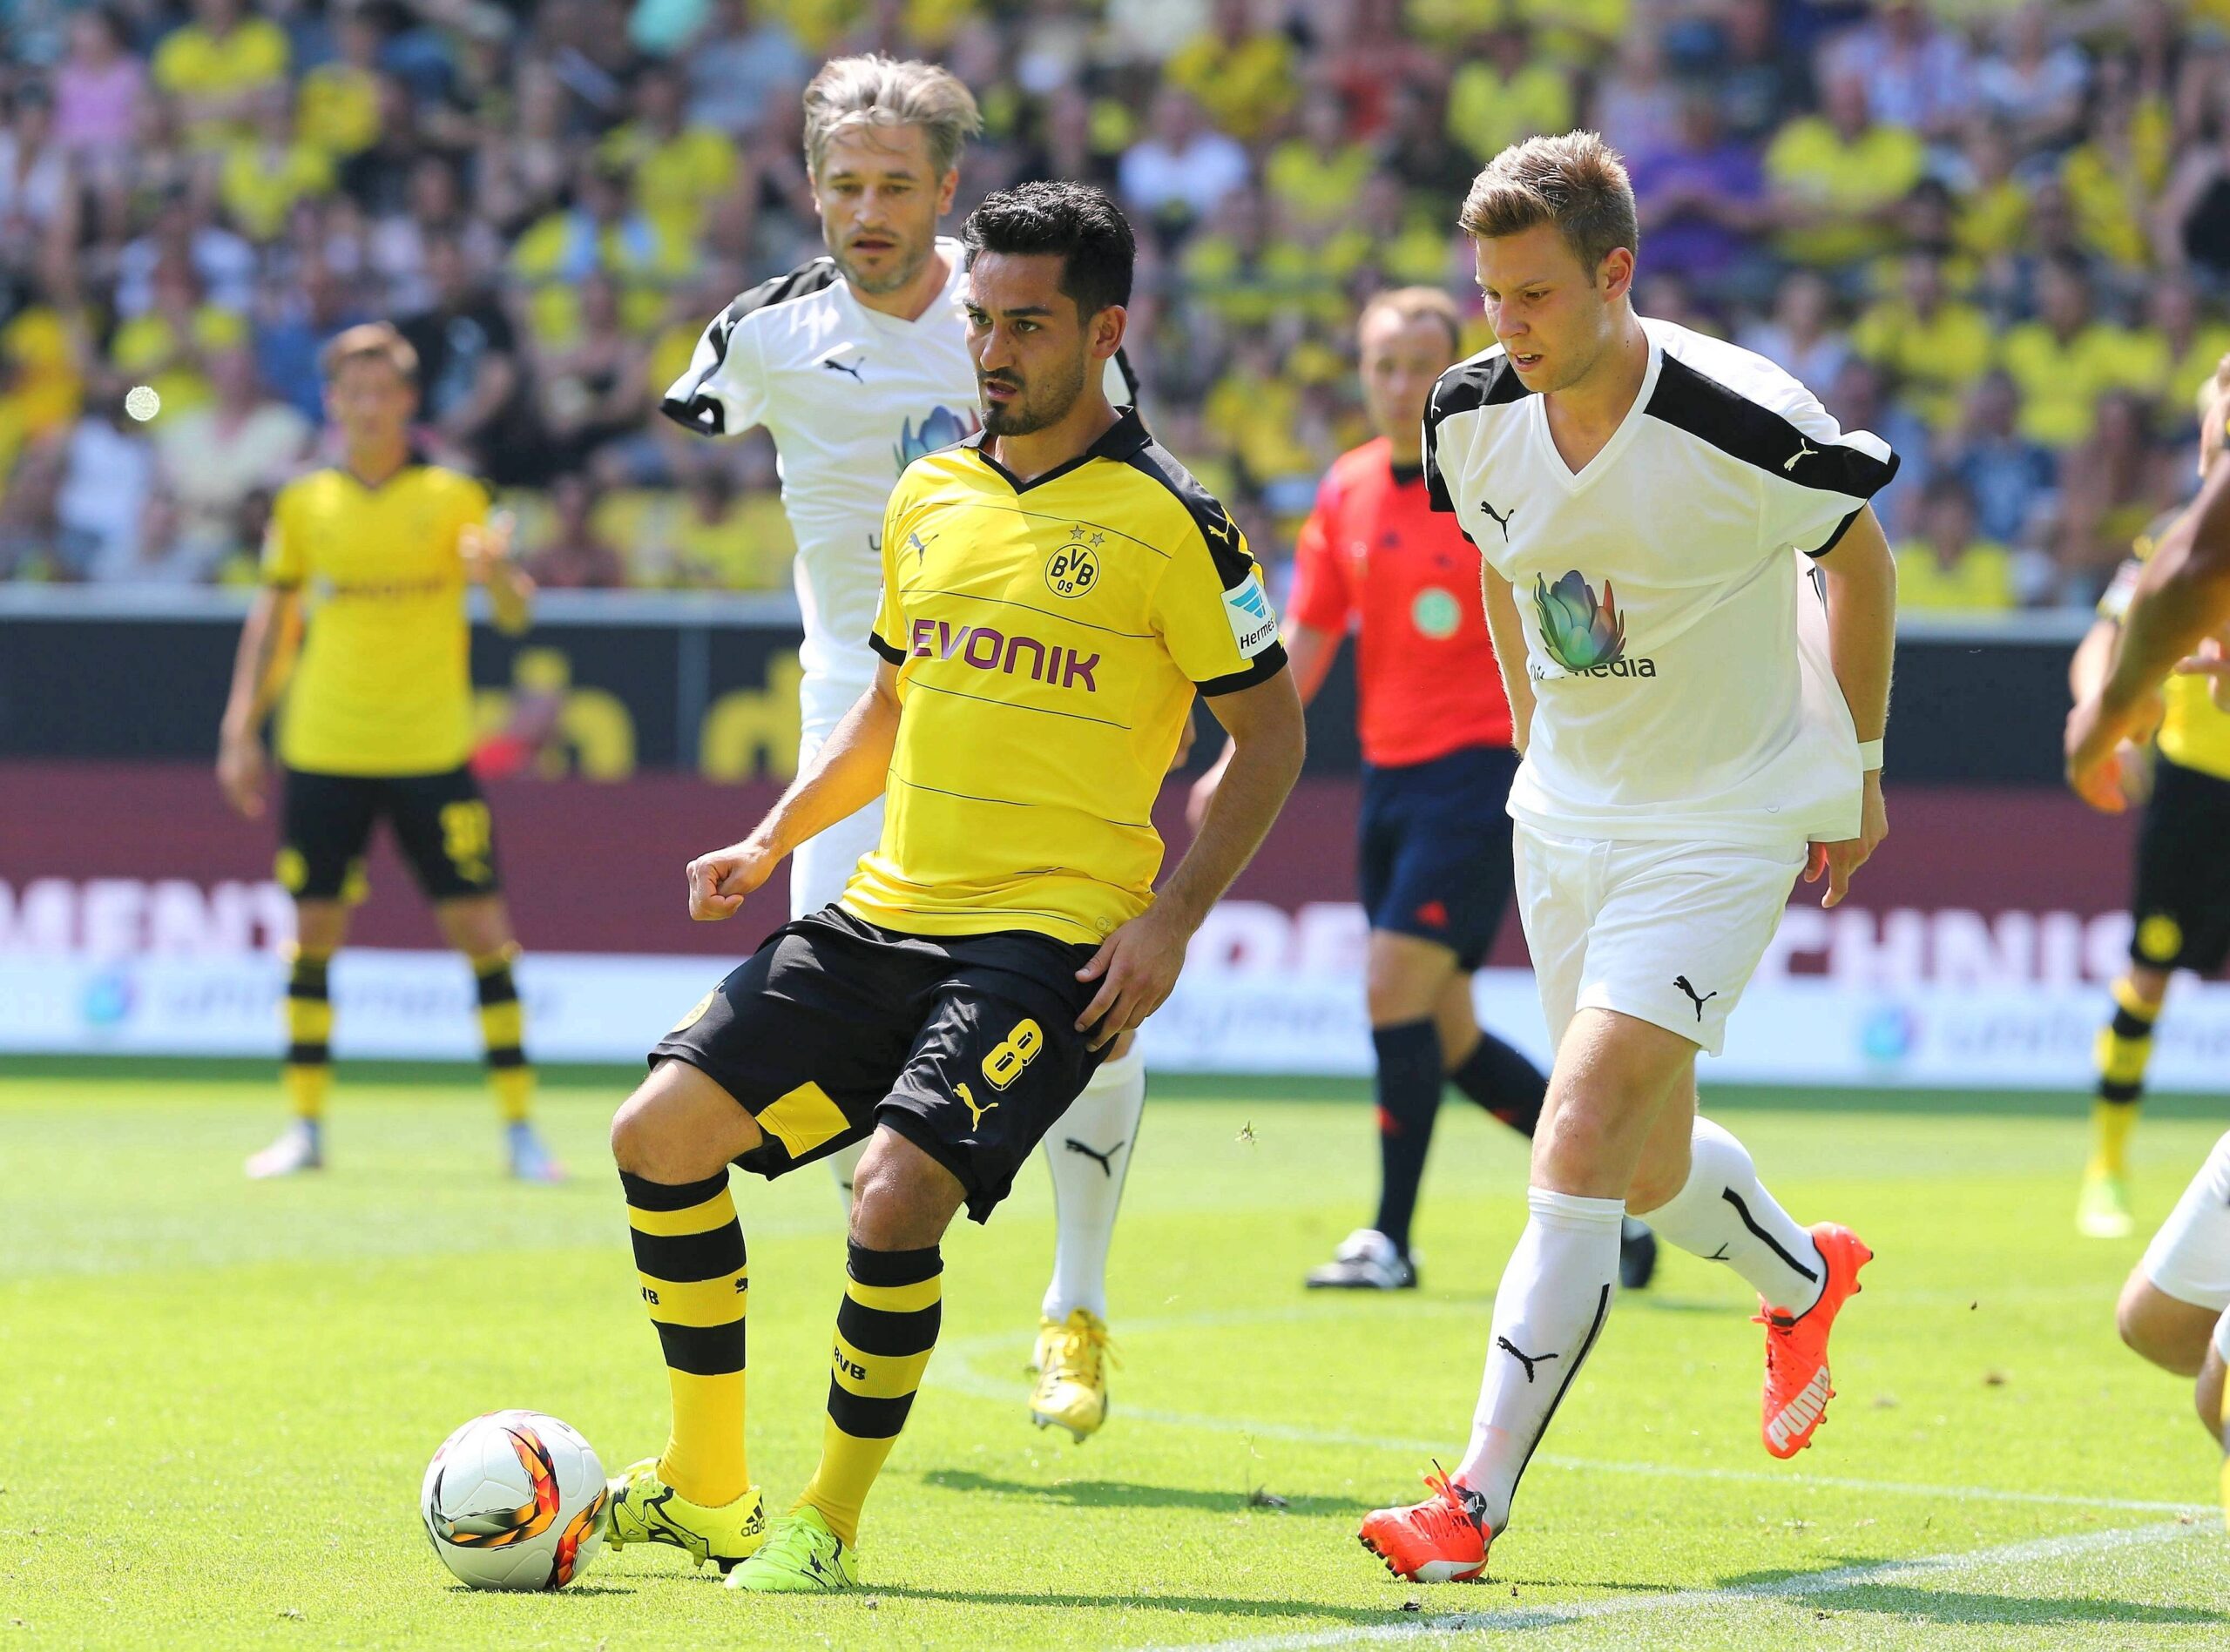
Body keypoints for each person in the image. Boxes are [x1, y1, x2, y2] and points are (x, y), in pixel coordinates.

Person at [602, 181, 1306, 1593]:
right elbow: (887, 713)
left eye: (1028, 325)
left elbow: (1272, 734)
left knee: (892, 1193)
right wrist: (769, 835)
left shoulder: (1178, 523)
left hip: (1046, 942)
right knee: (657, 1136)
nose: (993, 350)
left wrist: (1171, 922)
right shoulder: (930, 492)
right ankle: (711, 1482)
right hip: (885, 909)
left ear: (1107, 330)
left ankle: (828, 1522)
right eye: (980, 319)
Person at [1358, 132, 1897, 1583]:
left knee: (1579, 1128)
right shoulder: (1470, 413)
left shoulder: (1744, 416)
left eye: (1534, 296)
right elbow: (1496, 556)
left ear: (1616, 274)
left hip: (1726, 819)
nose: (1507, 328)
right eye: (1490, 297)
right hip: (1572, 823)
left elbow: (1857, 557)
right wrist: (1538, 738)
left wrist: (1855, 769)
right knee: (1648, 1169)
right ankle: (1804, 1274)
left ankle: (1469, 1500)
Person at [659, 57, 1148, 1444]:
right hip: (853, 718)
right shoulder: (760, 335)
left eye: (894, 184)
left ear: (946, 190)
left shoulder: (1016, 316)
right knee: (837, 1043)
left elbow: (1124, 479)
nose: (865, 210)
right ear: (809, 189)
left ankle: (1077, 1299)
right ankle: (879, 1333)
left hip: (1040, 707)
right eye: (841, 183)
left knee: (1094, 1015)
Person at [1189, 287, 1656, 1294]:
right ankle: (1612, 1205)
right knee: (1442, 1032)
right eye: (1382, 366)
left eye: (1419, 366)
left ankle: (1390, 1239)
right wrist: (1238, 752)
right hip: (1389, 785)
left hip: (1488, 771)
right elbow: (1308, 634)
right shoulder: (1347, 488)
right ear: (1362, 374)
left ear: (1455, 371)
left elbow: (1582, 613)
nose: (1401, 386)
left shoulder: (1504, 470)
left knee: (1390, 986)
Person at [214, 324, 560, 1184]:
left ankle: (520, 1128)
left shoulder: (452, 496)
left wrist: (499, 575)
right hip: (325, 744)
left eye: (384, 392)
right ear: (333, 402)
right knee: (313, 933)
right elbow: (274, 621)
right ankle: (304, 1126)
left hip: (430, 748)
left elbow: (517, 614)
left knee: (481, 931)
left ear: (408, 402)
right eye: (352, 392)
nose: (368, 407)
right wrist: (239, 728)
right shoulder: (304, 505)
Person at [2067, 358, 2230, 1238]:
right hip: (2196, 789)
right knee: (2149, 973)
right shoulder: (2172, 537)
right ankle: (2107, 1165)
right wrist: (2102, 713)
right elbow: (2104, 638)